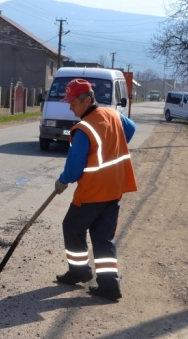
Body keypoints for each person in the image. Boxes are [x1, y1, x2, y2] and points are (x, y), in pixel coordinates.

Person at [53, 78, 137, 301]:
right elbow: (132, 128)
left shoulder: (84, 128)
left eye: (73, 103)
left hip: (93, 192)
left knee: (71, 228)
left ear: (87, 99)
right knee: (103, 237)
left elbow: (74, 167)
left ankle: (79, 272)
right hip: (115, 188)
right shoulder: (112, 114)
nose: (70, 107)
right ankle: (110, 286)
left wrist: (63, 181)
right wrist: (113, 143)